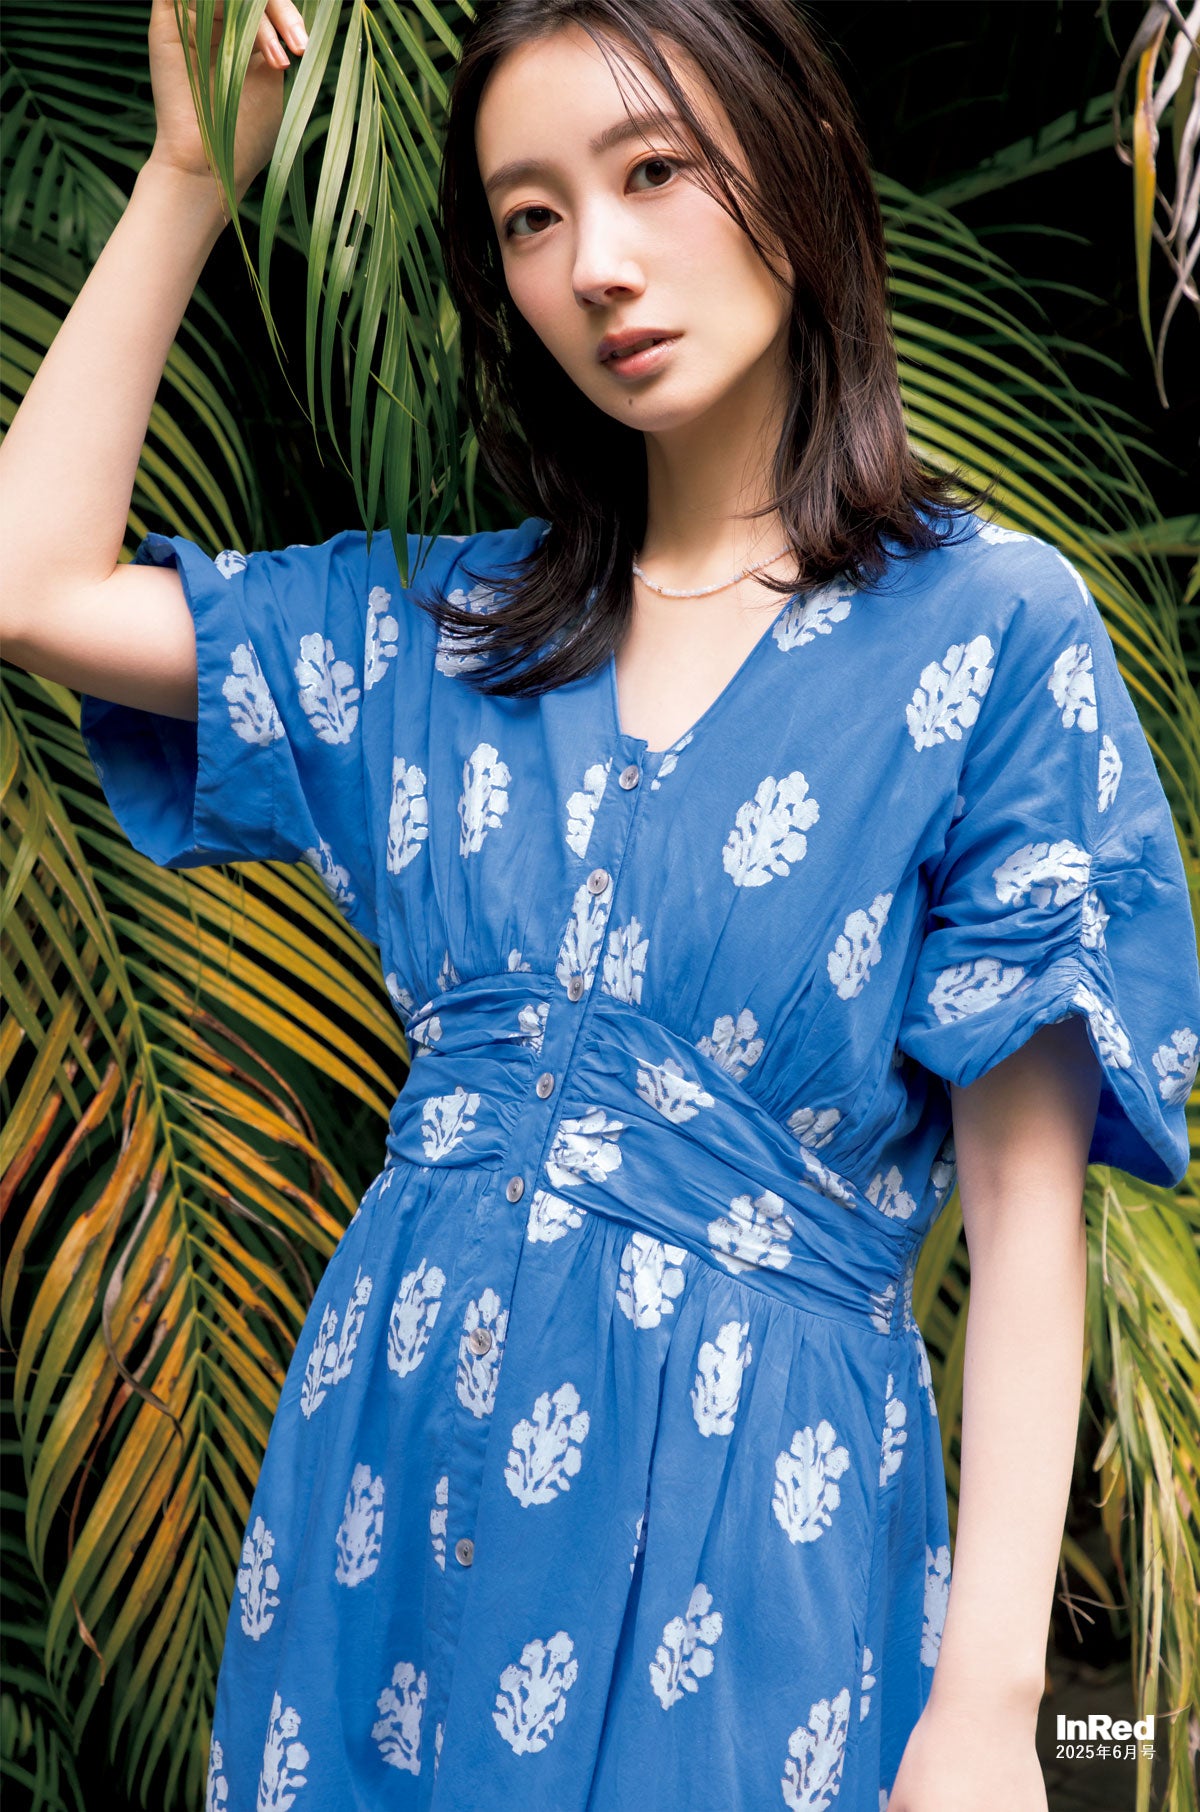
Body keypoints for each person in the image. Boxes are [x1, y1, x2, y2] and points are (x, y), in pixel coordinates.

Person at [2, 2, 1197, 1808]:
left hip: (753, 1545)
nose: (598, 265)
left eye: (653, 172)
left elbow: (1028, 1214)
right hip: (380, 1508)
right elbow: (30, 583)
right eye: (530, 216)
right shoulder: (446, 637)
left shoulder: (991, 636)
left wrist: (989, 1708)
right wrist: (188, 175)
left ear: (799, 161)